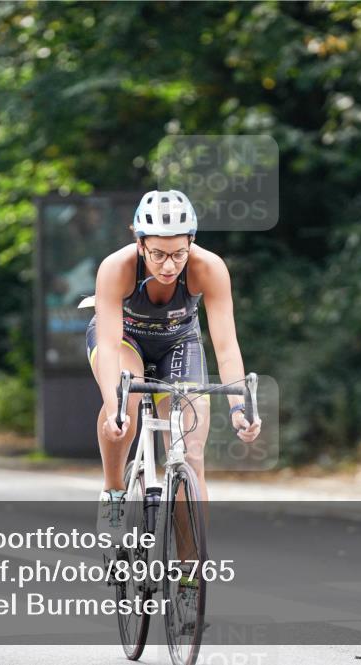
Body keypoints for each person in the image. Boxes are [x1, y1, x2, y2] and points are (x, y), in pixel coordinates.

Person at [85, 190, 261, 530]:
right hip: (124, 339)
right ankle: (113, 490)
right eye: (158, 254)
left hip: (179, 341)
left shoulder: (209, 268)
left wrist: (240, 407)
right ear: (139, 243)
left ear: (191, 242)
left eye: (179, 253)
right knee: (128, 397)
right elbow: (108, 345)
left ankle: (189, 574)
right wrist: (113, 407)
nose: (169, 265)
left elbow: (226, 346)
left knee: (191, 456)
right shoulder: (116, 268)